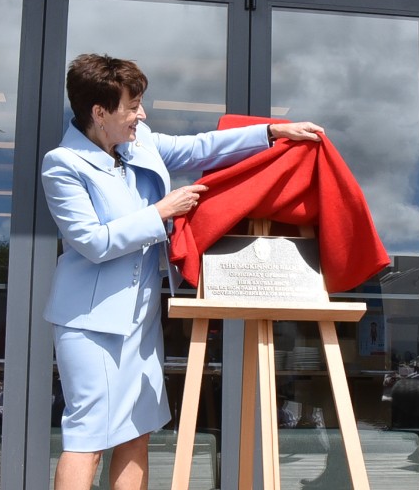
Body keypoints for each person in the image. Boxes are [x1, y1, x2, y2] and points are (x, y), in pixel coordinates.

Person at [42, 53, 323, 490]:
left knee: (137, 431)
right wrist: (162, 212)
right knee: (90, 437)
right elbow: (92, 242)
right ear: (99, 112)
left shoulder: (141, 142)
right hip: (91, 324)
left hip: (142, 320)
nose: (141, 113)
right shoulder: (62, 164)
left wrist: (271, 132)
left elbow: (200, 147)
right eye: (132, 106)